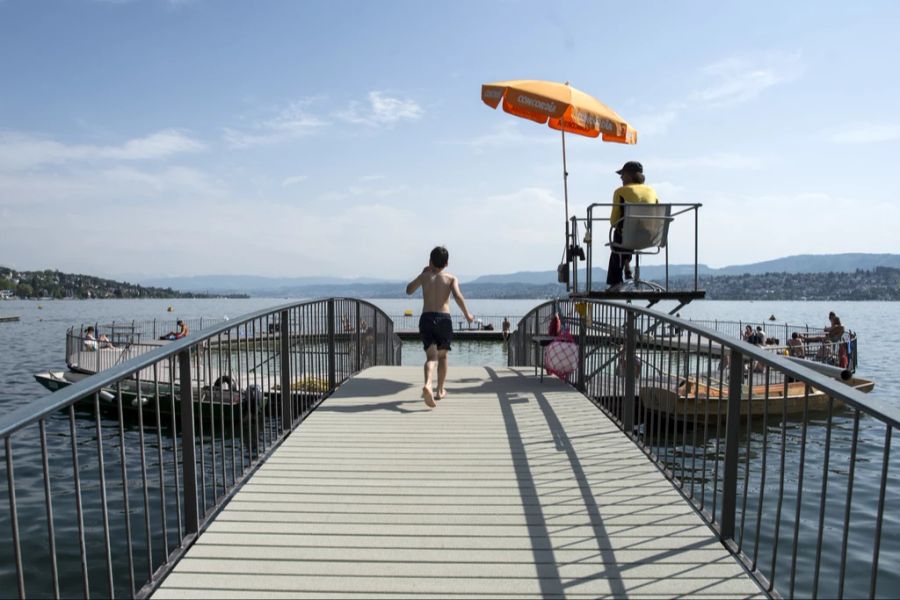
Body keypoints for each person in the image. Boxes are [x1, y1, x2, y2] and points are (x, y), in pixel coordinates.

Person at [406, 246, 474, 408]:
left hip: (427, 318)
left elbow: (409, 290)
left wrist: (421, 273)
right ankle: (440, 390)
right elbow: (457, 296)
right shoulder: (451, 278)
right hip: (444, 319)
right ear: (447, 263)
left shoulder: (424, 277)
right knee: (442, 357)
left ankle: (428, 384)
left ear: (430, 261)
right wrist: (467, 315)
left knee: (431, 357)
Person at [607, 161, 659, 291]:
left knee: (618, 234)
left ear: (629, 176)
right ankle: (627, 269)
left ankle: (615, 281)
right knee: (626, 231)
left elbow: (613, 221)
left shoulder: (621, 191)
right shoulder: (652, 191)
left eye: (622, 175)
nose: (620, 178)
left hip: (628, 237)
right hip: (651, 236)